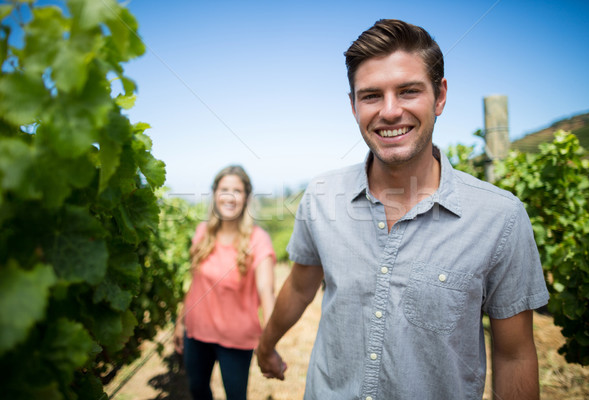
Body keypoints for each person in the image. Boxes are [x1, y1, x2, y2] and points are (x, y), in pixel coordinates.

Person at [257, 19, 549, 400]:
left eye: (409, 91)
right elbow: (299, 286)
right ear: (353, 105)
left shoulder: (501, 219)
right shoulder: (320, 196)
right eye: (372, 96)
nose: (390, 111)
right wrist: (265, 345)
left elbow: (514, 356)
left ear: (440, 96)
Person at [174, 165, 276, 400]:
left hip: (236, 340)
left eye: (237, 191)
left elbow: (266, 292)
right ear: (215, 194)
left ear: (246, 198)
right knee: (197, 389)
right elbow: (193, 283)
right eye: (224, 189)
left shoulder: (258, 239)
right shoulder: (202, 232)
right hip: (196, 334)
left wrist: (270, 343)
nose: (230, 197)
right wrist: (181, 322)